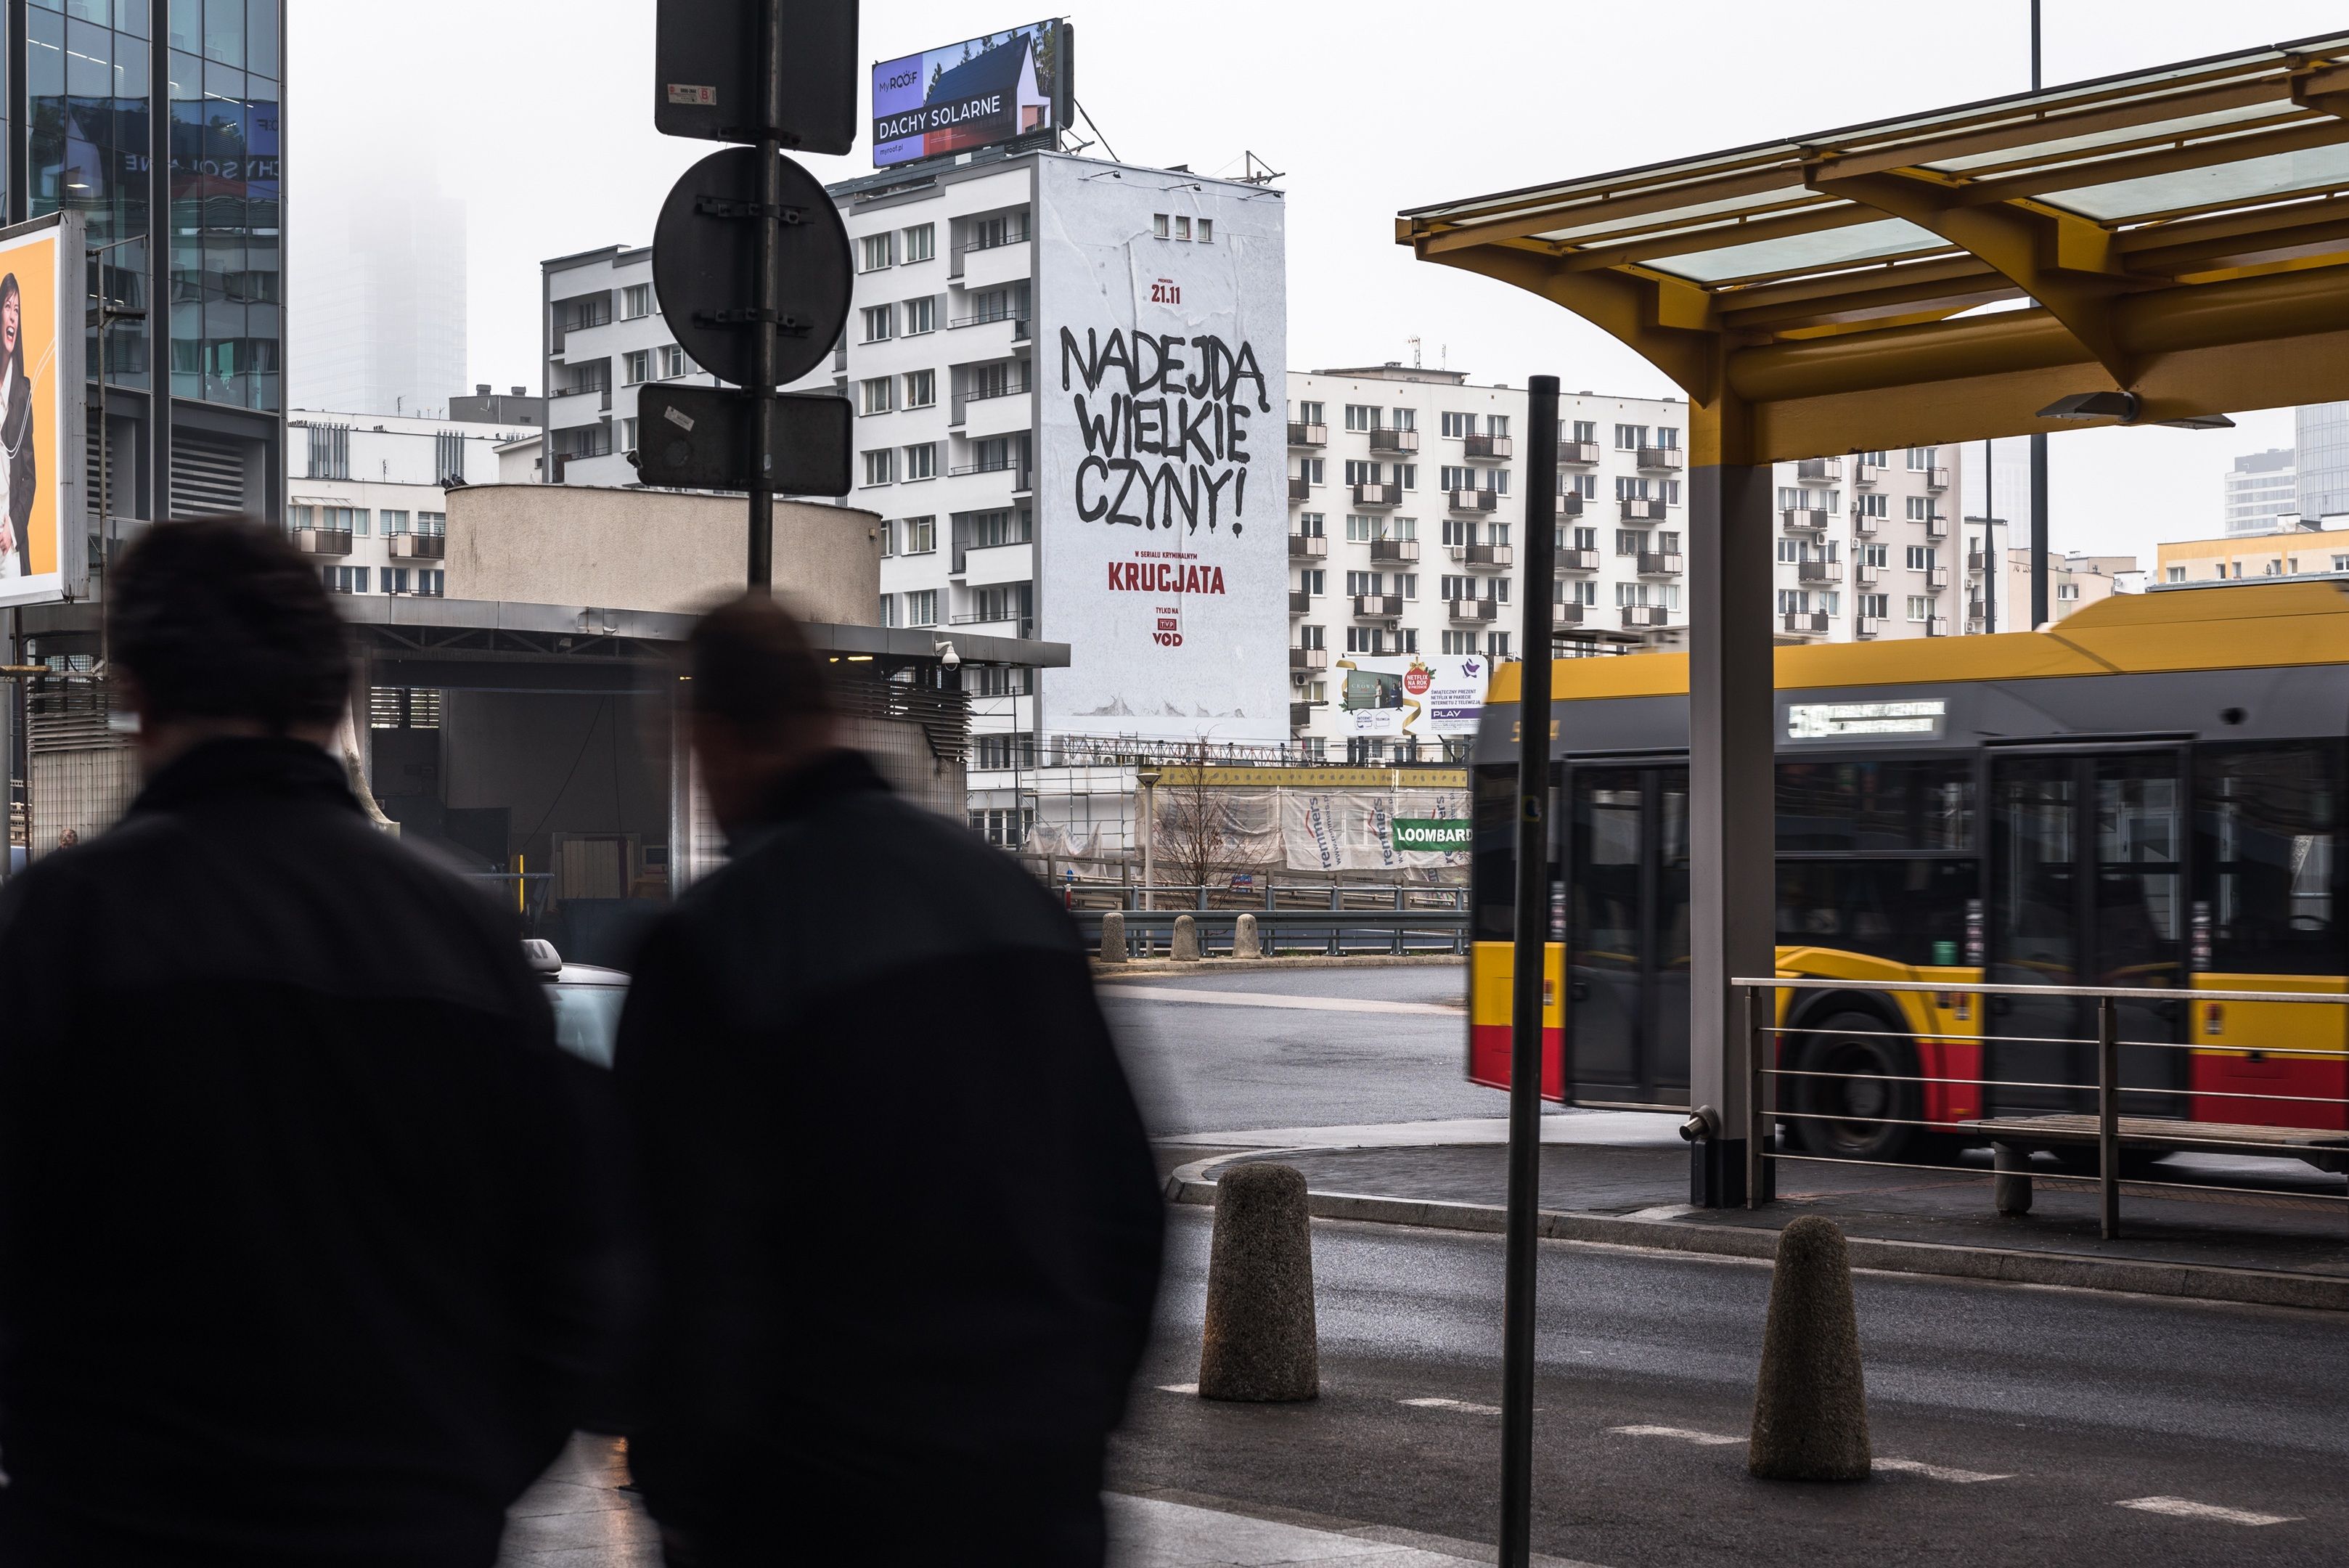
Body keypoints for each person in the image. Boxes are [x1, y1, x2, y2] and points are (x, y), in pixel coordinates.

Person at [0, 518, 635, 1567]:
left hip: (114, 1526)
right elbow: (577, 1279)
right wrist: (454, 1477)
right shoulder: (465, 937)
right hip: (405, 1529)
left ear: (137, 695)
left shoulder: (59, 931)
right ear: (334, 690)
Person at [616, 595, 1163, 1567]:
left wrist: (690, 1497)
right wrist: (1075, 1425)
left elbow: (686, 1275)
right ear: (829, 715)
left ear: (710, 737)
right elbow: (1125, 1207)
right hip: (1032, 1498)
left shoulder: (716, 942)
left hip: (813, 1513)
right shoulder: (1018, 904)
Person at [0, 271, 33, 579]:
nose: (13, 316)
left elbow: (29, 477)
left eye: (17, 309)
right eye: (8, 306)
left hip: (7, 543)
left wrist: (11, 528)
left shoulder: (23, 391)